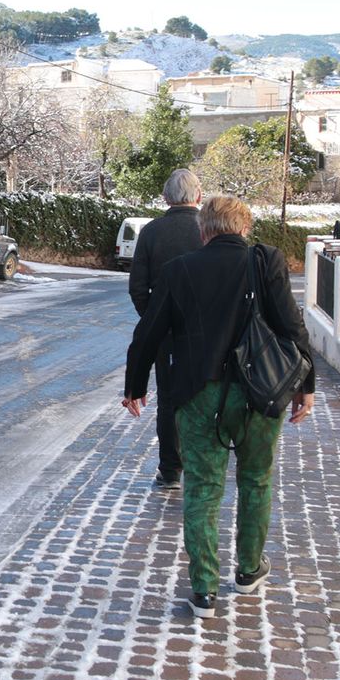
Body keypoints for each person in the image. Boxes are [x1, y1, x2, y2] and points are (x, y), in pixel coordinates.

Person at [122, 196, 315, 619]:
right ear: (244, 228)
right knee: (256, 480)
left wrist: (135, 385)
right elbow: (292, 326)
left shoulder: (179, 270)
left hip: (198, 394)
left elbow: (148, 331)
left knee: (203, 488)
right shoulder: (266, 261)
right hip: (260, 392)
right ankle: (248, 570)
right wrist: (306, 385)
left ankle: (204, 590)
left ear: (203, 230)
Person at [127, 168, 204, 490]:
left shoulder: (151, 232)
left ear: (165, 197)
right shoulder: (209, 229)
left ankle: (171, 469)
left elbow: (138, 286)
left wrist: (153, 320)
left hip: (166, 331)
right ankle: (202, 465)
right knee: (205, 396)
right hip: (207, 328)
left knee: (169, 400)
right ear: (198, 196)